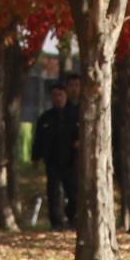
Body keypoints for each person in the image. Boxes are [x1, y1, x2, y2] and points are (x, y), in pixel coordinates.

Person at [33, 80, 80, 229]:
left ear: (65, 96)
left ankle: (72, 220)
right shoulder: (45, 118)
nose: (57, 98)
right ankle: (56, 224)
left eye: (60, 95)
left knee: (73, 194)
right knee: (53, 194)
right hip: (52, 162)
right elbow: (38, 139)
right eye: (54, 95)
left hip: (71, 162)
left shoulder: (75, 115)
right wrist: (35, 157)